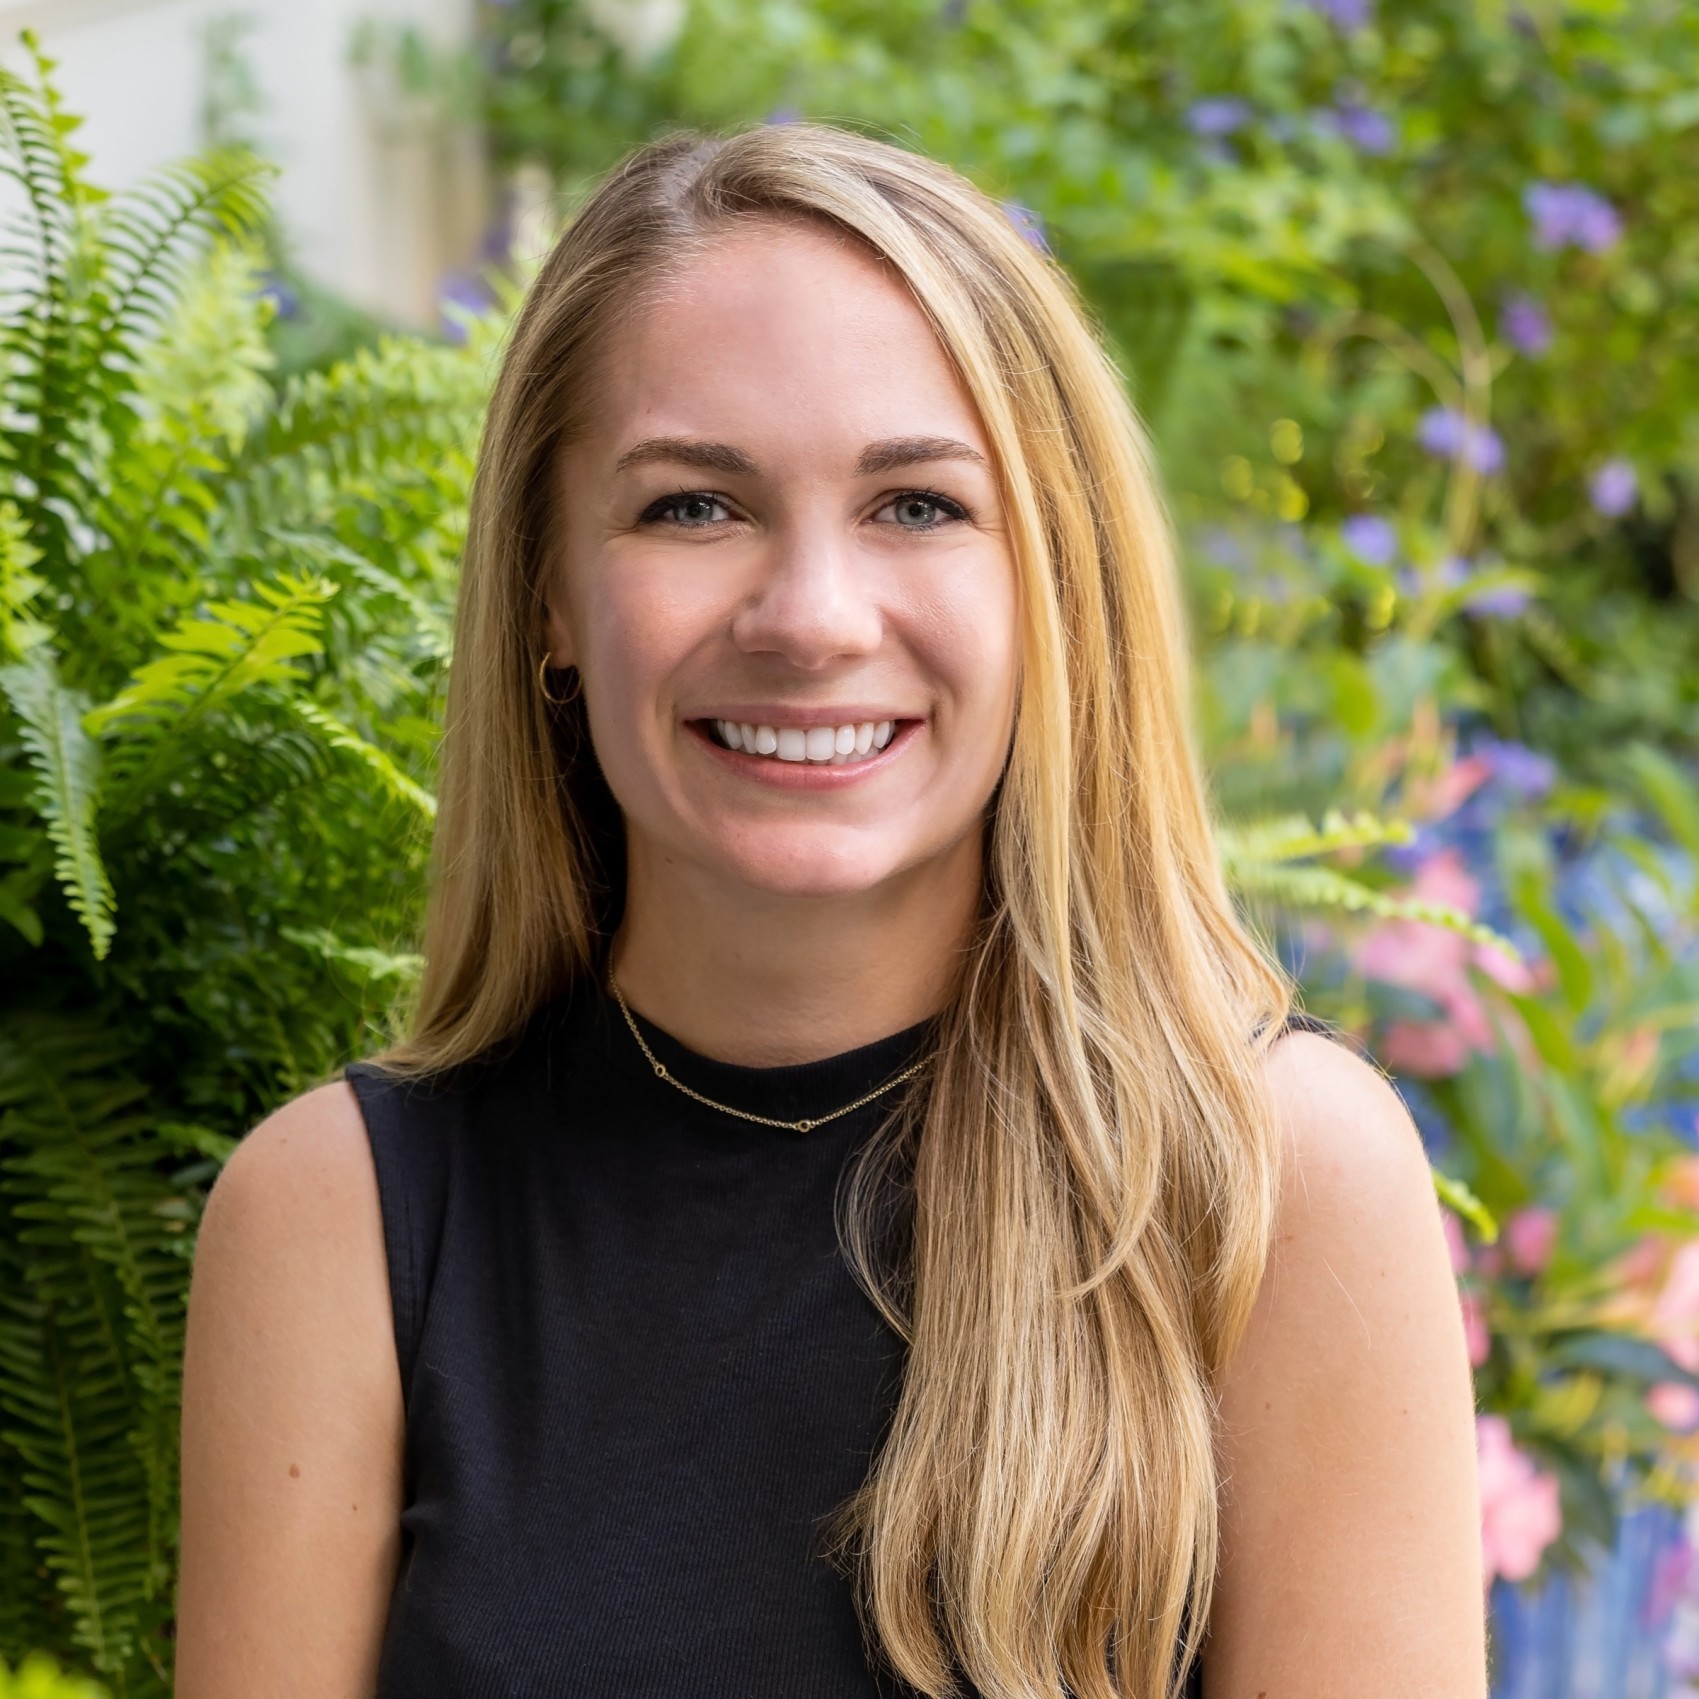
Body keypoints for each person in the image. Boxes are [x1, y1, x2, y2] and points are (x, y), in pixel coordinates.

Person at [174, 124, 1487, 1699]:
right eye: (692, 508)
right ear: (545, 596)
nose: (810, 617)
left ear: (1052, 587)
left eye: (919, 506)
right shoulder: (338, 1222)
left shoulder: (1267, 1185)